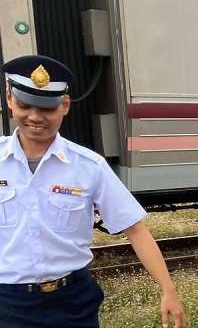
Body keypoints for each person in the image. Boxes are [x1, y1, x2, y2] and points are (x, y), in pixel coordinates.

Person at [0, 55, 186, 328]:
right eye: (25, 106)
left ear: (64, 106)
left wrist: (168, 290)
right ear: (9, 100)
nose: (35, 117)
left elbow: (135, 230)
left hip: (72, 301)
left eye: (47, 109)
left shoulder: (89, 167)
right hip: (8, 305)